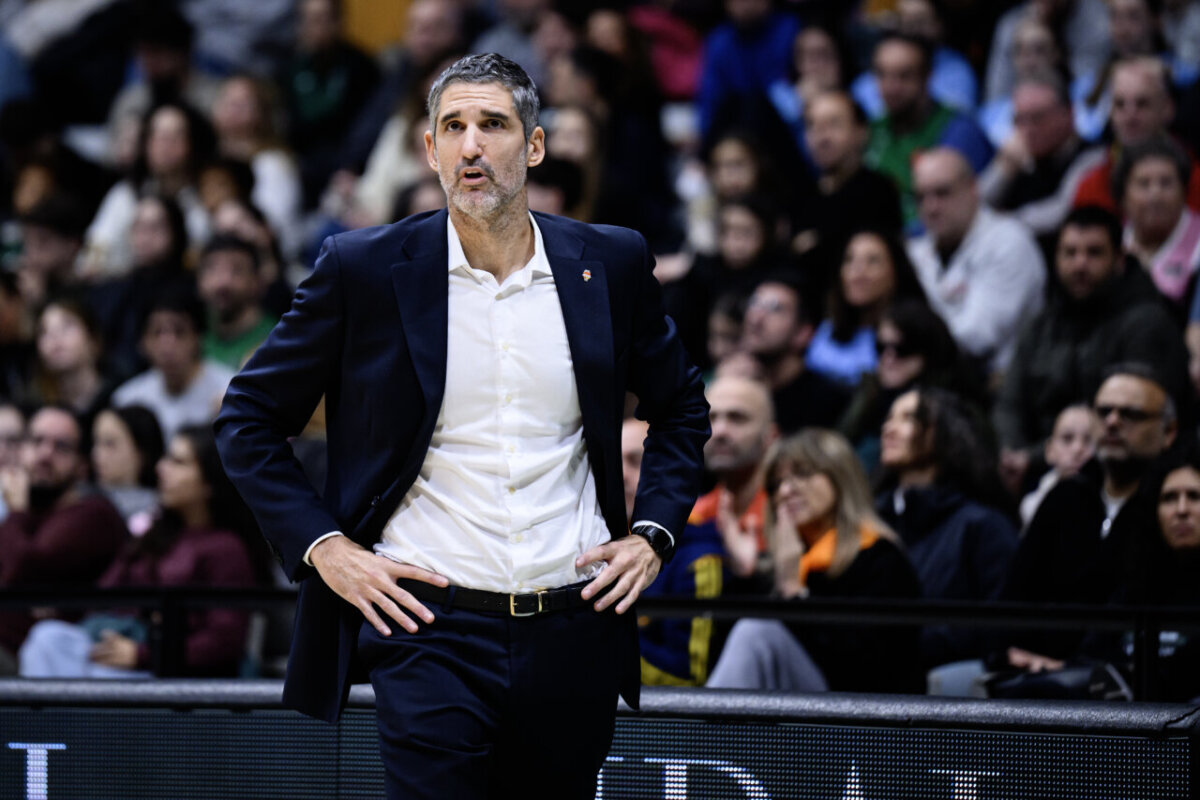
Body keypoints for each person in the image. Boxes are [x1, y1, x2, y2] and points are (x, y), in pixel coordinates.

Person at [214, 54, 709, 800]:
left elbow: (682, 408)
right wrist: (326, 548)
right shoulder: (363, 269)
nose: (471, 146)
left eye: (493, 125)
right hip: (429, 627)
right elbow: (247, 417)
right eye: (453, 127)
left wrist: (654, 535)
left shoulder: (608, 262)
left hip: (574, 620)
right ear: (429, 149)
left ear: (534, 146)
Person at [20, 425, 258, 678]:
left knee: (83, 675)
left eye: (178, 462)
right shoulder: (154, 534)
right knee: (47, 639)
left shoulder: (226, 549)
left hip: (172, 674)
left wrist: (143, 654)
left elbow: (225, 641)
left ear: (209, 481)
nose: (161, 468)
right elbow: (104, 595)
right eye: (166, 458)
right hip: (117, 648)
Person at [706, 429, 922, 693]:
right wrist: (745, 574)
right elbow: (720, 660)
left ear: (840, 477)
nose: (785, 491)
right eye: (775, 485)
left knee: (756, 633)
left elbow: (869, 670)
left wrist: (793, 592)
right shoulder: (781, 564)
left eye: (802, 474)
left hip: (854, 711)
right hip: (778, 711)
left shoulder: (881, 559)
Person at [994, 206, 1189, 480]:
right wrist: (1013, 454)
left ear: (1119, 259)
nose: (1080, 264)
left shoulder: (1148, 324)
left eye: (1094, 253)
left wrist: (1035, 458)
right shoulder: (1042, 324)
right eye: (1070, 253)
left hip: (1118, 473)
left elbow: (1133, 421)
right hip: (1038, 470)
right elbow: (1010, 405)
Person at [1002, 364, 1178, 664]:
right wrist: (1011, 653)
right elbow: (1015, 595)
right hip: (1031, 669)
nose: (1112, 422)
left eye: (1130, 414)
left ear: (1168, 432)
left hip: (1125, 678)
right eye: (1103, 411)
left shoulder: (1174, 505)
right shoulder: (1065, 496)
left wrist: (1073, 669)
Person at [876, 388, 1018, 670]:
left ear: (940, 432)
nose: (888, 428)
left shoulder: (982, 526)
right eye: (889, 418)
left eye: (907, 418)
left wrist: (904, 645)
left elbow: (1001, 626)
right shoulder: (871, 520)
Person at [0, 406, 127, 672]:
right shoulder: (29, 511)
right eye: (36, 441)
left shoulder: (92, 514)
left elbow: (21, 571)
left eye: (61, 447)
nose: (45, 454)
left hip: (40, 660)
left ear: (82, 466)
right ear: (20, 451)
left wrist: (17, 513)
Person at [906, 147, 1046, 373]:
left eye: (942, 193)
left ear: (972, 188)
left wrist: (911, 341)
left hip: (1004, 381)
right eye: (921, 197)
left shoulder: (1009, 242)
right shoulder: (916, 251)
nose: (931, 208)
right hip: (935, 376)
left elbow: (978, 338)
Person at [626, 416, 725, 686]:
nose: (620, 474)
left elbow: (690, 675)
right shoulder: (587, 543)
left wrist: (602, 642)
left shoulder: (698, 557)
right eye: (614, 463)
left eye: (635, 461)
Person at [864, 33, 993, 232]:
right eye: (882, 75)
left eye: (904, 76)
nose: (890, 87)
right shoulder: (871, 130)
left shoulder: (959, 131)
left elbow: (955, 213)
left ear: (927, 76)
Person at [978, 72, 1107, 245]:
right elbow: (971, 208)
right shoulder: (1017, 159)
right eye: (1019, 119)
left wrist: (998, 224)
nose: (1027, 129)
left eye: (1037, 118)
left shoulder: (1093, 157)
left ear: (1068, 114)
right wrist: (1003, 168)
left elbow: (1059, 212)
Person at [807, 228, 926, 387]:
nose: (857, 273)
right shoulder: (828, 327)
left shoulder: (913, 335)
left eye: (872, 261)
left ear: (895, 271)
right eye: (849, 260)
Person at [111, 288, 235, 440]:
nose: (167, 346)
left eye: (179, 331)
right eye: (157, 332)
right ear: (142, 343)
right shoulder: (128, 401)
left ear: (198, 338)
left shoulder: (230, 392)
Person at [740, 274, 850, 434]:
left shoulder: (827, 402)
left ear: (803, 333)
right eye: (754, 303)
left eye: (775, 309)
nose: (756, 318)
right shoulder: (732, 385)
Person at [1116, 135, 1200, 315]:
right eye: (1143, 184)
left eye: (1166, 183)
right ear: (1123, 195)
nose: (1155, 195)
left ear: (1184, 191)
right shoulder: (1109, 241)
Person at [196, 235, 278, 370]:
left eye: (236, 270)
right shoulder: (193, 337)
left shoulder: (275, 340)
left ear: (257, 282)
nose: (223, 282)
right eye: (212, 269)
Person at [1019, 404, 1100, 527]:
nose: (1078, 449)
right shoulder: (1030, 505)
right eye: (1067, 438)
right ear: (1049, 450)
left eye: (1088, 439)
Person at [91, 404, 164, 530]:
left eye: (110, 443)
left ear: (141, 452)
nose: (96, 454)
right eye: (95, 442)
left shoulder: (160, 510)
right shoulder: (80, 497)